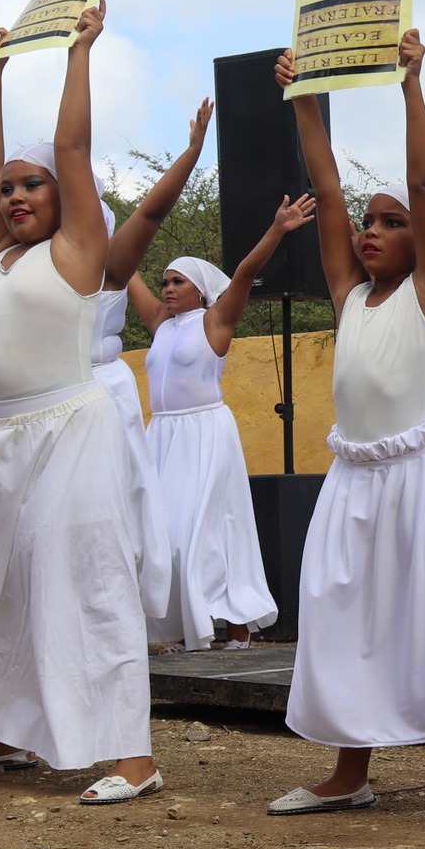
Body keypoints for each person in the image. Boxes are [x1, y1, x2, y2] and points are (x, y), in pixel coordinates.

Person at [0, 0, 170, 806]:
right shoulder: (0, 255)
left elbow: (72, 146)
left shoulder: (78, 253)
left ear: (65, 201)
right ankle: (5, 729)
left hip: (71, 430)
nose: (17, 195)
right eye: (12, 189)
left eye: (35, 187)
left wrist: (78, 54)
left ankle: (132, 754)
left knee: (84, 582)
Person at [268, 32, 425, 829]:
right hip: (352, 477)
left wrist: (412, 85)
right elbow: (328, 191)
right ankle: (348, 772)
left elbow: (424, 179)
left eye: (393, 222)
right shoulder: (348, 293)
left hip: (414, 479)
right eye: (370, 223)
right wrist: (301, 97)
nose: (370, 230)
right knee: (340, 619)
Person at [133, 198, 308, 653]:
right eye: (165, 282)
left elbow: (247, 272)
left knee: (208, 528)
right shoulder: (160, 324)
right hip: (163, 436)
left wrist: (277, 228)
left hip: (205, 434)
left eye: (177, 281)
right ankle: (179, 627)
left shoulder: (215, 320)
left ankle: (235, 627)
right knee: (161, 532)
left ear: (201, 290)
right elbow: (123, 267)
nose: (167, 289)